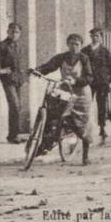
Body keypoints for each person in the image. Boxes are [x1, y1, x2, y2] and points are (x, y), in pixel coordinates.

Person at [34, 33, 95, 165]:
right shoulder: (62, 57)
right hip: (66, 92)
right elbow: (49, 66)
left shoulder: (84, 58)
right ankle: (44, 144)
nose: (74, 47)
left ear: (81, 46)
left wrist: (76, 81)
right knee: (53, 114)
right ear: (67, 44)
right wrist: (37, 71)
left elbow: (89, 77)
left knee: (83, 124)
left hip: (81, 94)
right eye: (71, 44)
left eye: (77, 44)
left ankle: (85, 155)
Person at [0, 22, 24, 143]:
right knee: (14, 106)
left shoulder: (18, 46)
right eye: (12, 31)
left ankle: (13, 134)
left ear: (19, 34)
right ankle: (14, 136)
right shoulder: (3, 45)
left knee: (17, 107)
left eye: (17, 32)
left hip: (17, 79)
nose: (14, 34)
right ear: (8, 32)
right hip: (8, 80)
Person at [82, 27, 111, 146]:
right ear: (90, 37)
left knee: (102, 105)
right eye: (93, 36)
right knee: (86, 103)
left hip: (102, 81)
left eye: (97, 36)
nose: (95, 38)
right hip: (89, 81)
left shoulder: (105, 51)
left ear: (101, 37)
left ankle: (102, 128)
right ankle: (85, 127)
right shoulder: (85, 50)